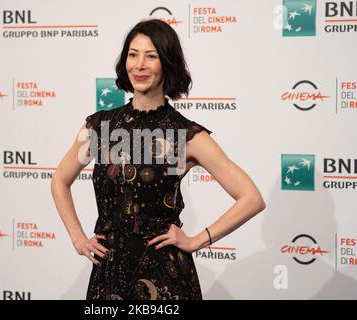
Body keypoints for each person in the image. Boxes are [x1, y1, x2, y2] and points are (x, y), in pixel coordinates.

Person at [51, 19, 266, 300]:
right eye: (133, 54)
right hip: (110, 275)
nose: (139, 65)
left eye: (151, 56)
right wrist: (78, 238)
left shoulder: (184, 134)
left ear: (167, 63)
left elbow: (251, 198)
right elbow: (60, 180)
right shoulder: (100, 127)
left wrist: (197, 240)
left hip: (165, 278)